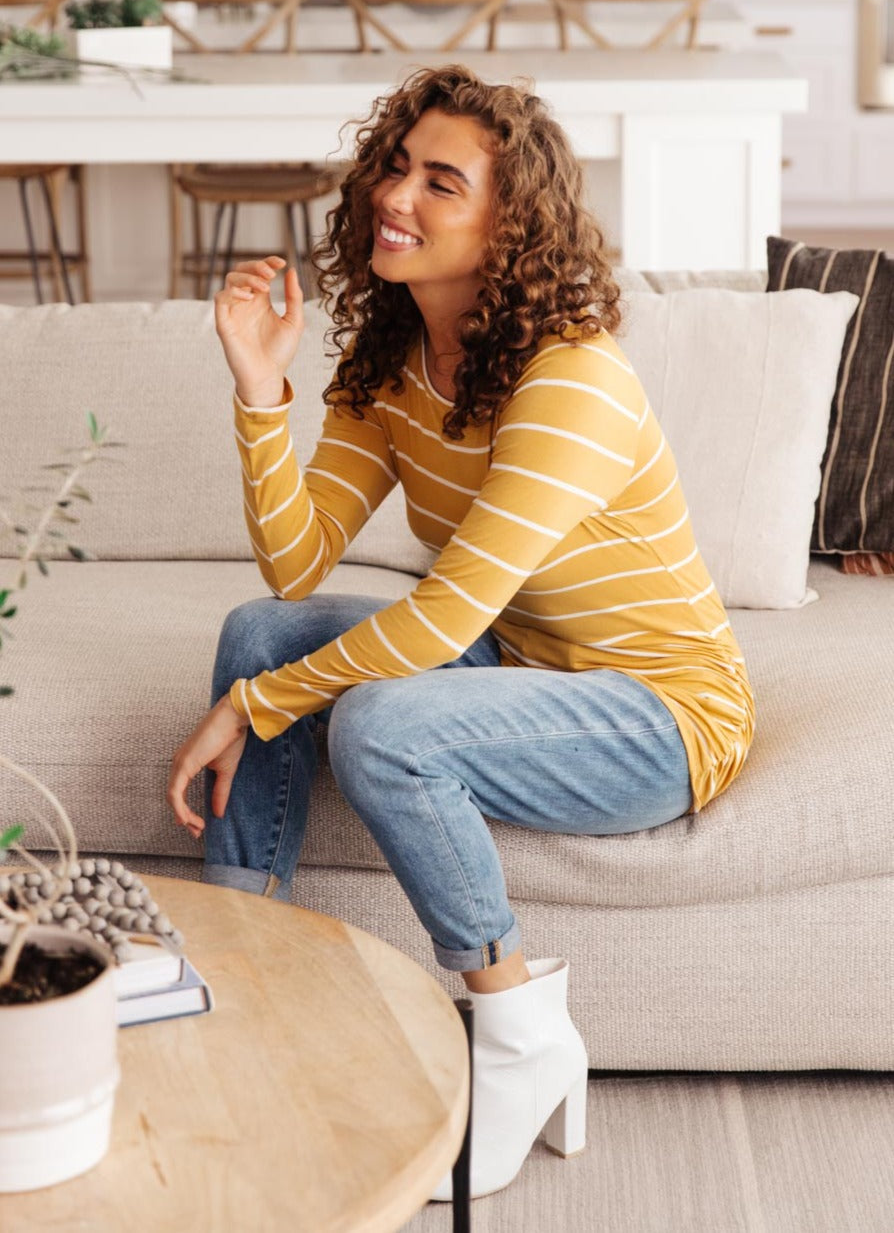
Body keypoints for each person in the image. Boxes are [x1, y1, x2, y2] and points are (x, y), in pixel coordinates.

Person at [166, 63, 755, 1200]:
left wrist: (260, 705)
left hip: (662, 711)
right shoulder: (392, 364)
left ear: (508, 226)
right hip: (520, 670)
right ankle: (235, 981)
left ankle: (524, 1032)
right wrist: (259, 391)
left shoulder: (569, 376)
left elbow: (446, 614)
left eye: (443, 181)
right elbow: (297, 570)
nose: (398, 193)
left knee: (383, 725)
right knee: (260, 631)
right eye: (398, 164)